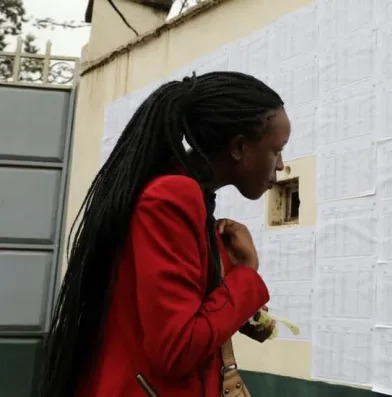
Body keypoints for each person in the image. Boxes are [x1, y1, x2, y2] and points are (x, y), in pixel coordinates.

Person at [37, 71, 290, 396]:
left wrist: (232, 278)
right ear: (239, 147)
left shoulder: (195, 203)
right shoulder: (172, 197)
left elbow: (192, 315)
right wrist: (245, 273)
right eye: (276, 150)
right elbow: (178, 347)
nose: (281, 165)